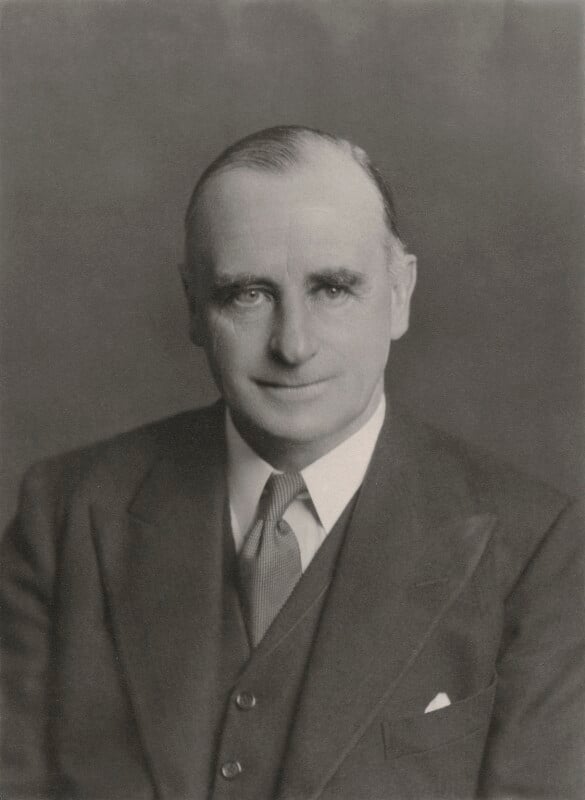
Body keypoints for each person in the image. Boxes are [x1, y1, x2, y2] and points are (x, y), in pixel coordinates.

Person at [1, 125, 583, 800]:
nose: (293, 343)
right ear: (193, 305)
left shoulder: (535, 548)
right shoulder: (67, 512)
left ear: (398, 294)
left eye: (332, 288)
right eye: (247, 294)